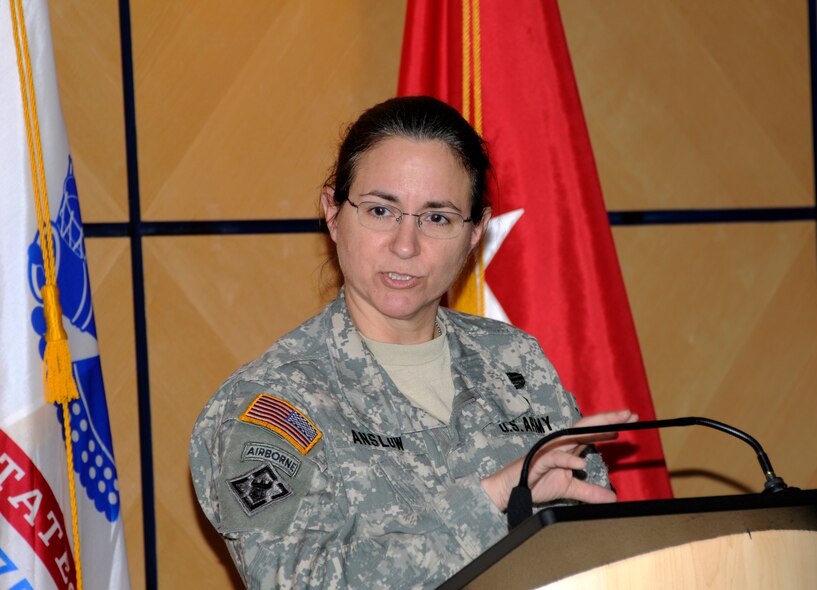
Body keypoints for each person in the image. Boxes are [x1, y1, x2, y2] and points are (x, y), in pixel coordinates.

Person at [190, 96, 637, 589]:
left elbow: (597, 554)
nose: (406, 245)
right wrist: (489, 500)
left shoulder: (516, 361)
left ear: (476, 233)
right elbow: (295, 582)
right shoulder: (272, 401)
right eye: (381, 210)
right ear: (333, 214)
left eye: (437, 218)